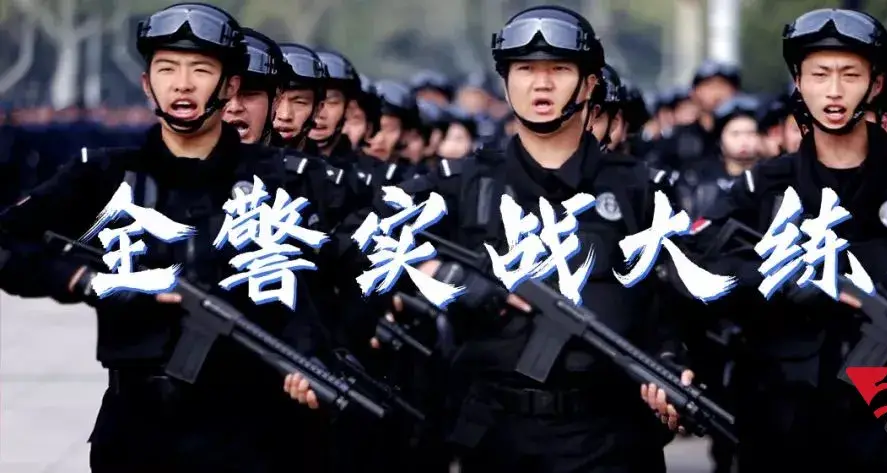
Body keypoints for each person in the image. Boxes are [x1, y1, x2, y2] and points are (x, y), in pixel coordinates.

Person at [288, 5, 690, 472]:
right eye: (525, 70)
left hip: (612, 438)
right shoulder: (462, 184)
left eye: (559, 70)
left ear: (589, 83)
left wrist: (671, 361)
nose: (541, 85)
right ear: (505, 81)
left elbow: (676, 304)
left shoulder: (640, 190)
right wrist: (449, 276)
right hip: (499, 438)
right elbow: (350, 242)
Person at [0, 3, 330, 471]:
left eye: (201, 70)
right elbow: (9, 243)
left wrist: (312, 362)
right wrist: (86, 280)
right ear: (146, 84)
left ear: (229, 86)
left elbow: (319, 294)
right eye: (167, 68)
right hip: (136, 433)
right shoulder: (104, 175)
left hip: (249, 436)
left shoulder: (283, 182)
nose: (182, 84)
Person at [690, 9, 887, 472]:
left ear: (875, 85)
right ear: (799, 83)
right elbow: (702, 269)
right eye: (820, 74)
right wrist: (787, 282)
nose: (834, 90)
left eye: (850, 74)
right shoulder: (764, 187)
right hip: (785, 416)